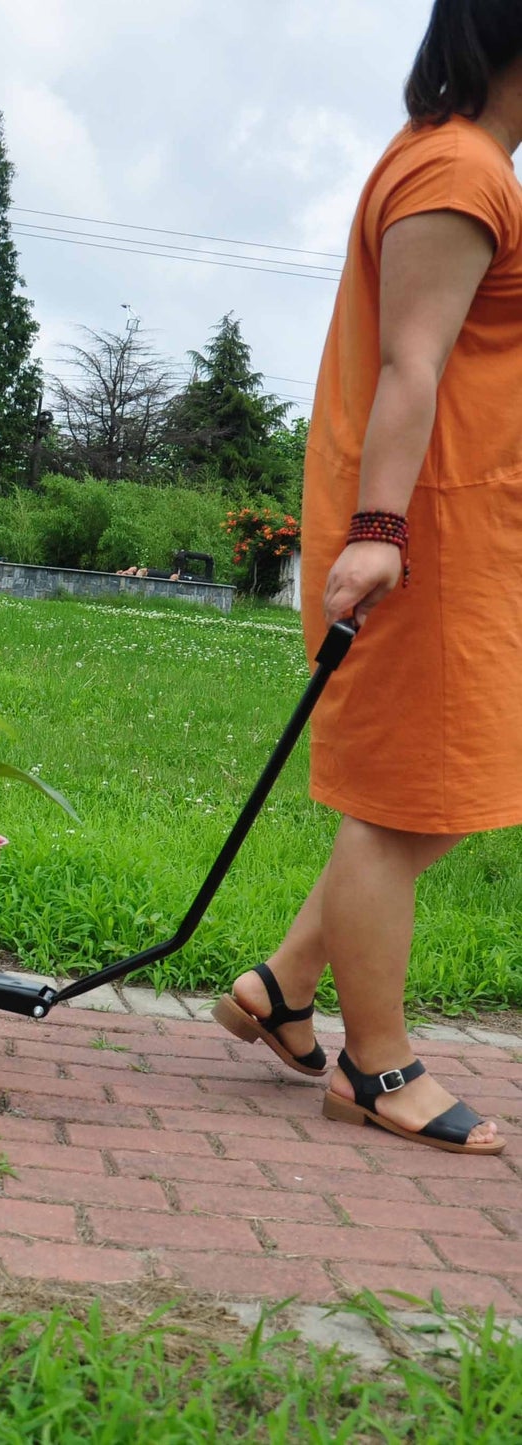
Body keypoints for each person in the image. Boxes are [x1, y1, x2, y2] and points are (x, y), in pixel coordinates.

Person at [213, 0, 521, 1155]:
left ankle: (286, 984)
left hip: (462, 531)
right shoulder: (453, 168)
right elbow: (409, 362)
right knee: (399, 807)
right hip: (420, 540)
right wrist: (378, 527)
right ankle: (373, 1062)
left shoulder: (465, 160)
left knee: (442, 792)